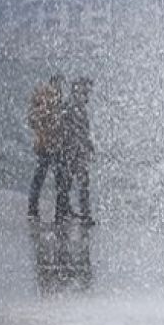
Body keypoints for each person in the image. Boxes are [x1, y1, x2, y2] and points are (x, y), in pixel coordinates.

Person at [27, 74, 64, 220]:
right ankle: (57, 211)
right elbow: (36, 120)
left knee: (46, 177)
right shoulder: (47, 100)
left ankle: (37, 209)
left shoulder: (50, 100)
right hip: (48, 145)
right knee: (50, 178)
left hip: (50, 144)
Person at [59, 77, 95, 225]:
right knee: (75, 183)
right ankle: (74, 212)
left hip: (75, 151)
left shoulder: (73, 107)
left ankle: (68, 211)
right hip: (73, 152)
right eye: (84, 92)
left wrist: (89, 146)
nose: (87, 96)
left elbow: (82, 131)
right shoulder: (71, 107)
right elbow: (71, 130)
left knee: (74, 183)